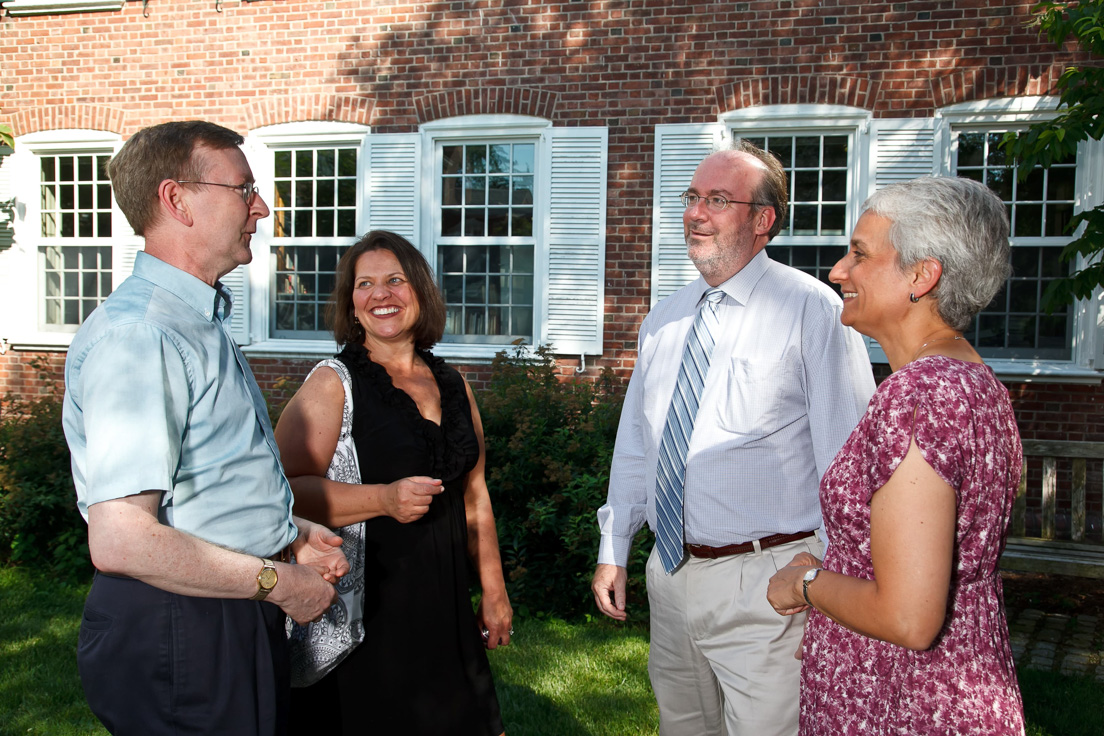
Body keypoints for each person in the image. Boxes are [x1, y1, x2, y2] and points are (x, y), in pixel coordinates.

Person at [62, 120, 348, 736]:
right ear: (177, 199)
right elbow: (122, 540)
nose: (262, 207)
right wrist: (278, 582)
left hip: (216, 611)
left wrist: (285, 531)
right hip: (183, 625)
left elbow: (202, 485)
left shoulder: (191, 319)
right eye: (244, 189)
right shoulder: (143, 335)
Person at [591, 141, 875, 735]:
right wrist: (614, 547)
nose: (696, 213)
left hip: (767, 581)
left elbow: (851, 454)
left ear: (762, 219)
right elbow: (636, 447)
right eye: (692, 198)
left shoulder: (811, 309)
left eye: (718, 200)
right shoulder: (664, 319)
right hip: (670, 576)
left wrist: (815, 567)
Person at [766, 176, 1026, 735]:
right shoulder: (975, 382)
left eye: (859, 253)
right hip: (956, 680)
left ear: (921, 275)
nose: (838, 271)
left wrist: (805, 584)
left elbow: (907, 617)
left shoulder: (917, 397)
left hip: (903, 700)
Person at [275, 230, 512, 736]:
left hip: (443, 608)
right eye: (365, 284)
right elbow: (278, 490)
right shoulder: (332, 382)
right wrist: (381, 500)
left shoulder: (454, 384)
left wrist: (493, 590)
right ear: (351, 304)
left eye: (395, 280)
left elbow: (475, 495)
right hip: (369, 611)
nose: (381, 294)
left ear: (420, 292)